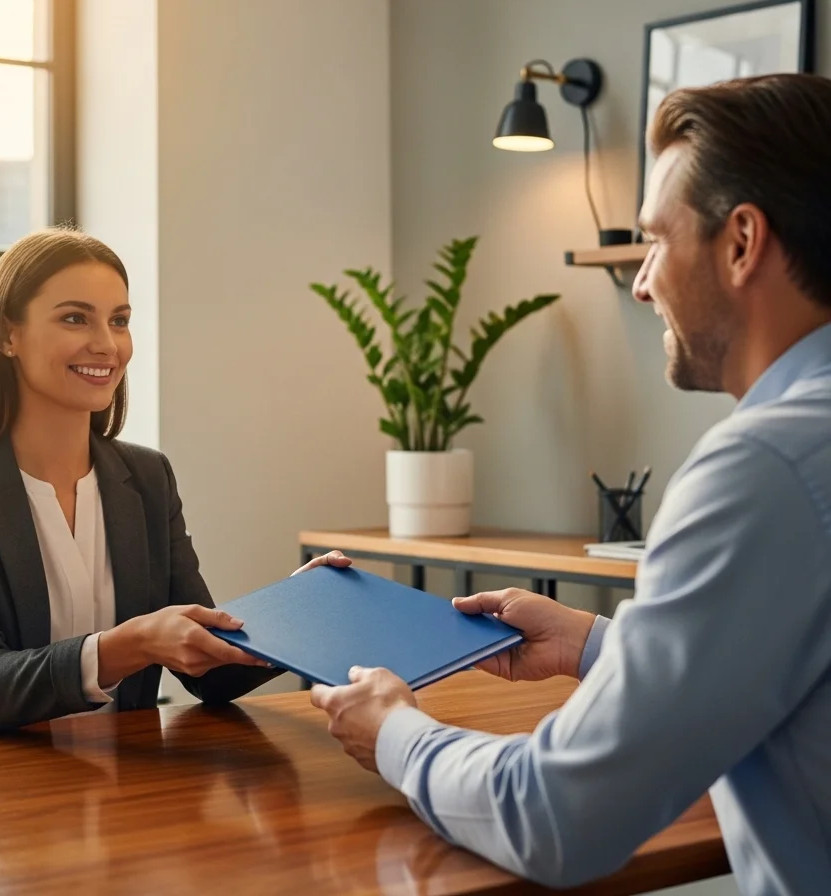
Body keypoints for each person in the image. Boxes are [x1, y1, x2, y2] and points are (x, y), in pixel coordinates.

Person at [310, 73, 831, 894]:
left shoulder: (764, 468)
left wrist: (397, 734)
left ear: (741, 242)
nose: (645, 282)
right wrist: (594, 644)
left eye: (657, 241)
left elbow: (555, 815)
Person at [0, 227, 348, 736]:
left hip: (117, 779)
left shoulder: (147, 477)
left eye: (120, 321)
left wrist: (297, 613)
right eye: (74, 318)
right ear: (7, 335)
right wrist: (130, 645)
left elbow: (208, 675)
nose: (107, 344)